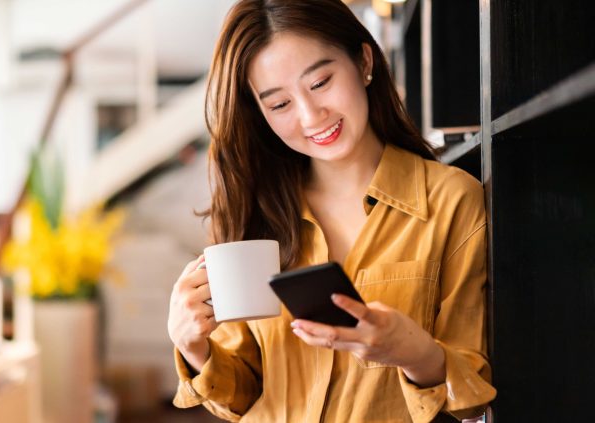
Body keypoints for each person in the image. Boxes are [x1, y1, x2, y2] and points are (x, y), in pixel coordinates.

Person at [166, 0, 496, 422]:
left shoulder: (450, 201)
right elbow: (242, 393)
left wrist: (413, 352)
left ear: (363, 61)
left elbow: (473, 394)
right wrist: (194, 348)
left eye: (320, 82)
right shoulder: (253, 214)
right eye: (279, 105)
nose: (310, 115)